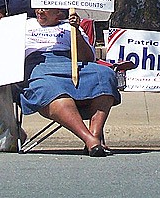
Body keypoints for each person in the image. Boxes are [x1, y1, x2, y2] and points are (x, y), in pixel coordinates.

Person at [21, 8, 121, 157]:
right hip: (38, 65)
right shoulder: (25, 25)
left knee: (104, 75)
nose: (40, 11)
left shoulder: (70, 27)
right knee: (50, 88)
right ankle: (90, 140)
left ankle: (95, 133)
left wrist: (76, 32)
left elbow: (87, 58)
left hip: (69, 62)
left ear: (59, 14)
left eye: (46, 9)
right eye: (38, 7)